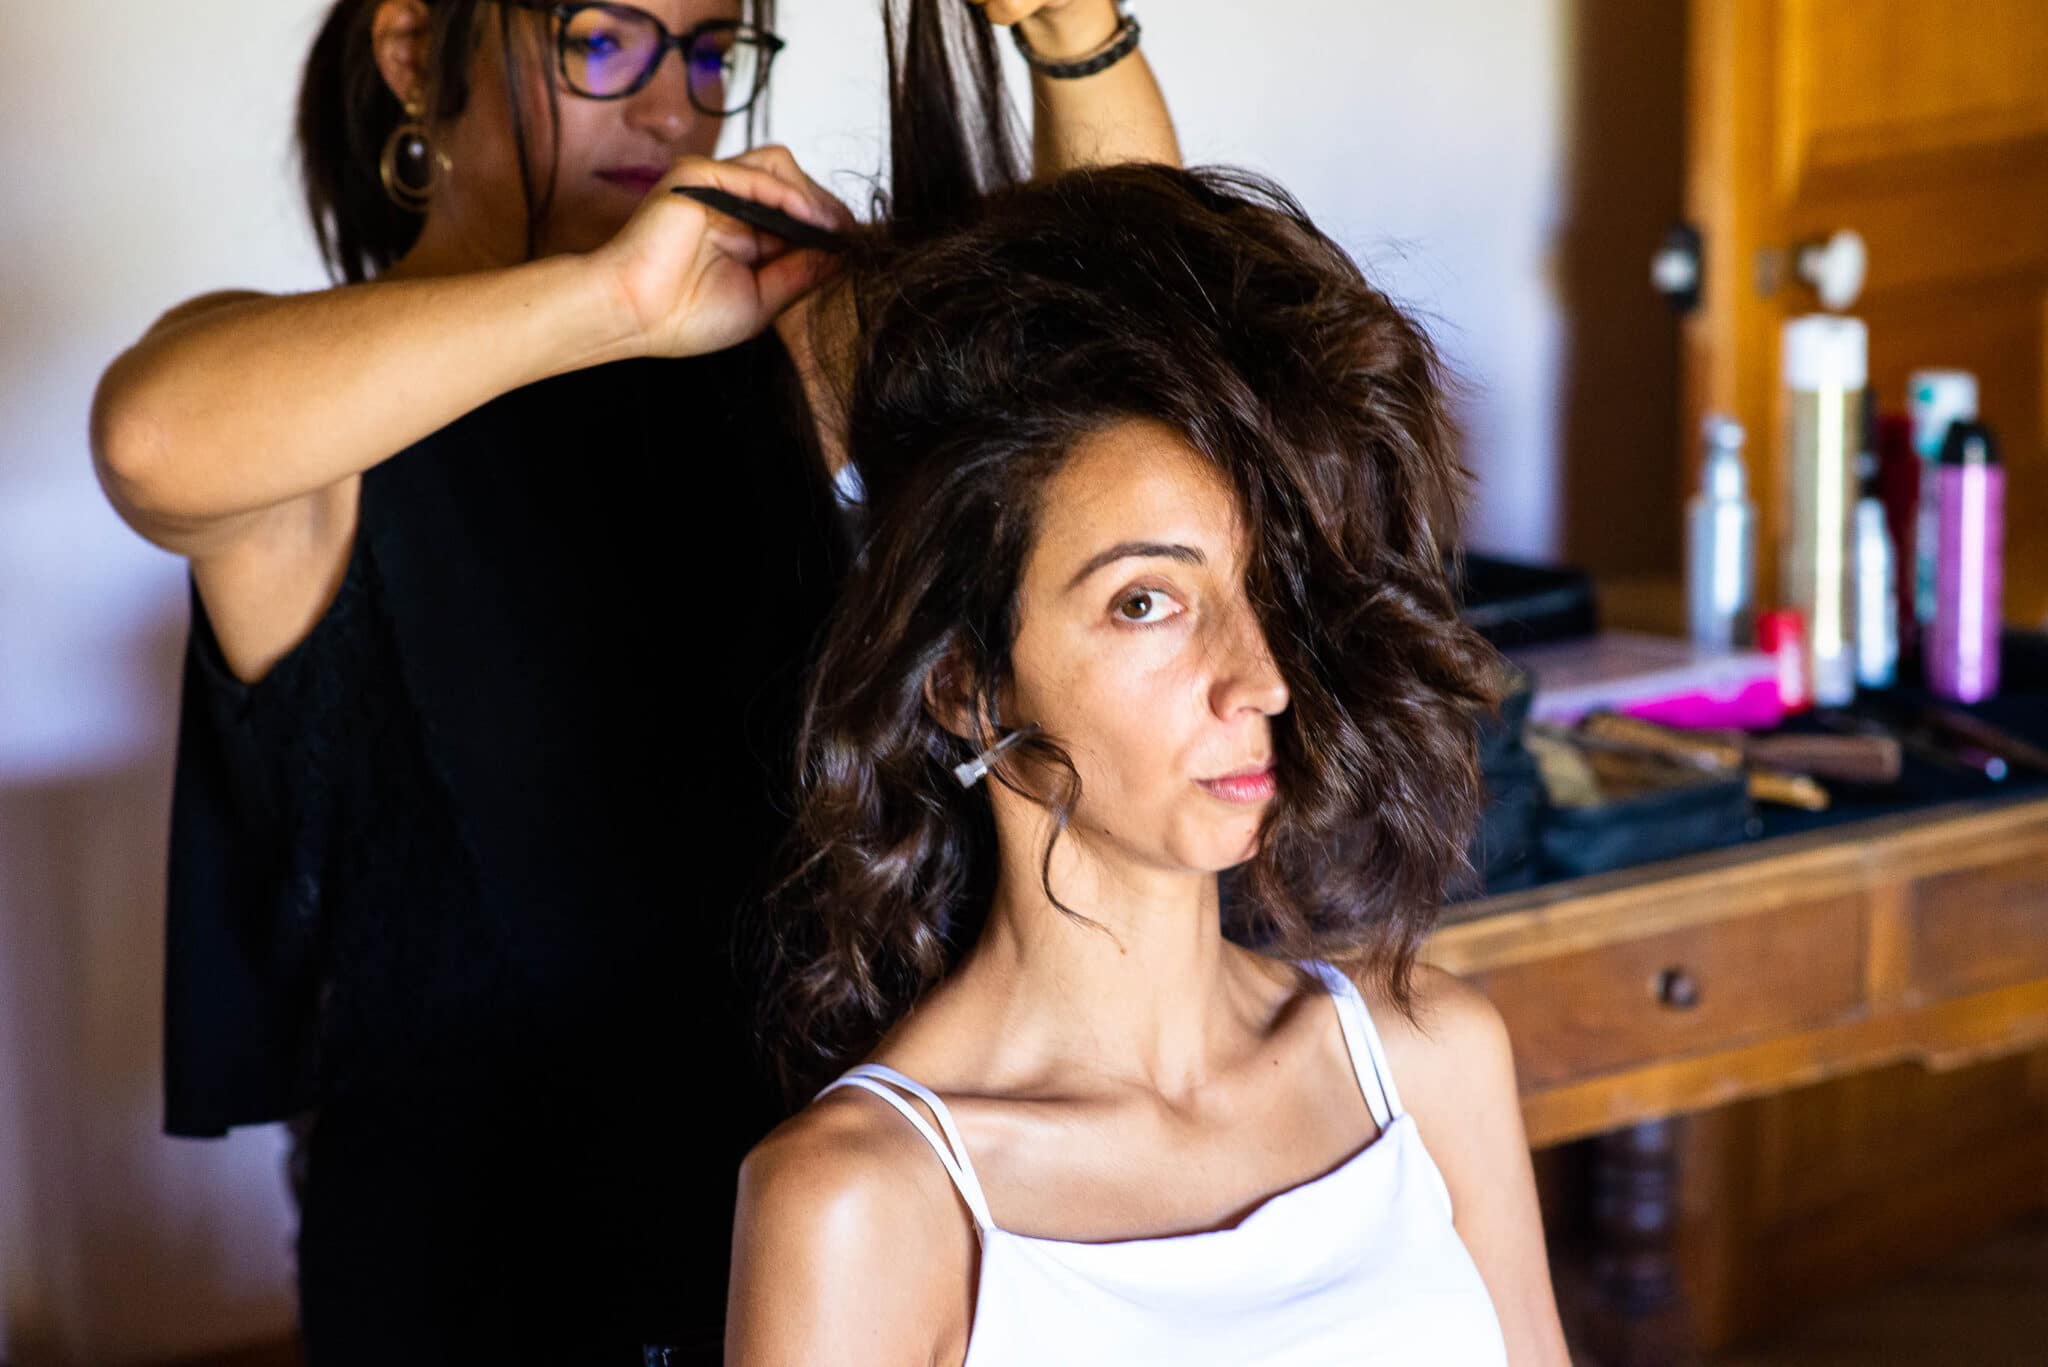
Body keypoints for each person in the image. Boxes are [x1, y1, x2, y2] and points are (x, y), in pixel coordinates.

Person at [89, 1, 1177, 1361]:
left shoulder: (791, 354)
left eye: (715, 50)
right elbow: (148, 437)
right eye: (603, 41)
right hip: (477, 1267)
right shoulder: (310, 419)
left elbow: (1137, 335)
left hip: (816, 1201)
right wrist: (614, 304)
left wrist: (1076, 34)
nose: (675, 107)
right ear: (417, 51)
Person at [727, 159, 1575, 1364]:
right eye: (1144, 602)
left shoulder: (1427, 1058)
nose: (1262, 678)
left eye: (1262, 589)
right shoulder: (865, 1203)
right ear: (963, 681)